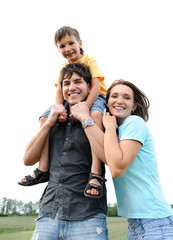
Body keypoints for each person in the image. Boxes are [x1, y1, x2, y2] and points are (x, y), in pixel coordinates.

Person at [18, 26, 107, 197]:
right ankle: (43, 168)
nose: (67, 49)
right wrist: (59, 110)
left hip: (95, 98)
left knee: (95, 116)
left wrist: (85, 108)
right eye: (62, 46)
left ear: (79, 43)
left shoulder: (89, 60)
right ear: (58, 49)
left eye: (71, 43)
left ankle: (96, 173)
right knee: (45, 117)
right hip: (71, 100)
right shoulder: (63, 68)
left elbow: (95, 87)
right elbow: (59, 92)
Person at [23, 63, 108, 240]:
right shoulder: (52, 117)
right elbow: (28, 159)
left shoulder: (99, 116)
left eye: (78, 82)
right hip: (49, 214)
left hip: (88, 215)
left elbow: (108, 157)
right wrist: (48, 124)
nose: (72, 87)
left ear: (89, 87)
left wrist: (85, 118)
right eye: (67, 83)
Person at [102, 79, 173, 239]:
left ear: (134, 106)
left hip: (155, 221)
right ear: (107, 102)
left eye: (127, 97)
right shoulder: (117, 133)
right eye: (114, 96)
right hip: (137, 223)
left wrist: (109, 127)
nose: (119, 100)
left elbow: (117, 168)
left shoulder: (134, 123)